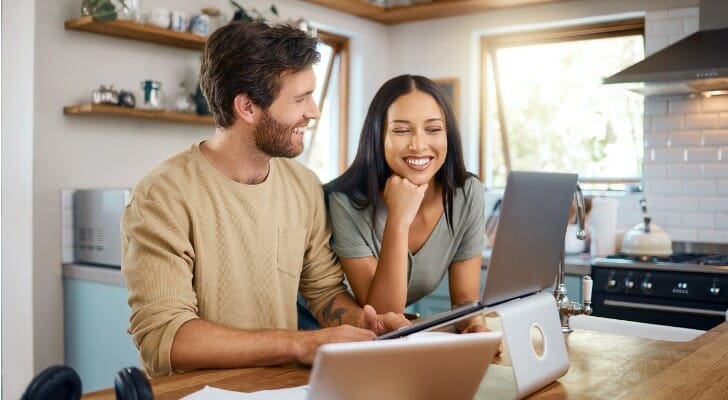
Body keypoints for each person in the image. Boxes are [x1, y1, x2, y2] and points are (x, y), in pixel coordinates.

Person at [121, 22, 408, 378]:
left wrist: (367, 326)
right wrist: (299, 344)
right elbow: (165, 341)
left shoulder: (303, 185)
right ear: (247, 107)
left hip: (279, 388)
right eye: (300, 98)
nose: (314, 111)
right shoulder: (161, 197)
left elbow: (323, 293)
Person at [324, 74, 487, 333]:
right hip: (324, 332)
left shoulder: (467, 194)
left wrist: (475, 325)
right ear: (378, 136)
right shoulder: (344, 202)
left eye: (433, 129)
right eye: (401, 130)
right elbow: (381, 316)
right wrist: (399, 219)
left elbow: (465, 298)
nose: (419, 145)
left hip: (382, 342)